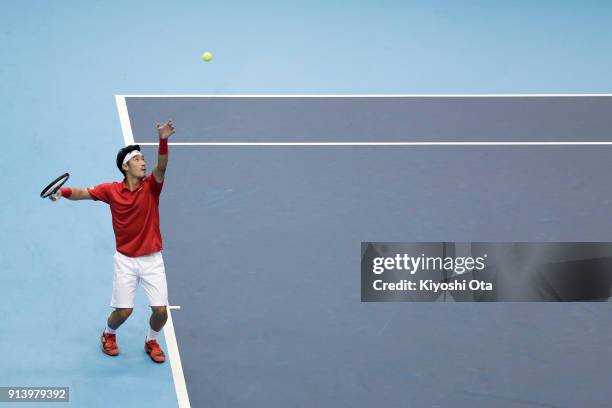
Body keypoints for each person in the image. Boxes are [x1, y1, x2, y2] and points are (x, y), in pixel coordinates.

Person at [50, 120, 176, 363]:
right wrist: (62, 193)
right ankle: (108, 335)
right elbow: (83, 193)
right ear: (125, 166)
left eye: (143, 159)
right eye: (138, 160)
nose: (144, 163)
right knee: (123, 312)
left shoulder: (151, 187)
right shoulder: (111, 191)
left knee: (161, 312)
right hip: (126, 261)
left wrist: (163, 140)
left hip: (152, 259)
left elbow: (161, 167)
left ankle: (151, 340)